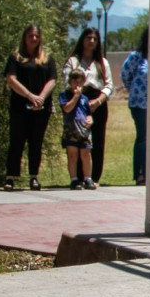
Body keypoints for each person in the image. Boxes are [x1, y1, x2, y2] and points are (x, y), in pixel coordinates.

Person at [3, 24, 57, 192]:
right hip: (20, 107)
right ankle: (10, 178)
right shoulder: (15, 58)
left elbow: (52, 80)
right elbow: (11, 79)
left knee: (36, 143)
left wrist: (40, 98)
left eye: (36, 36)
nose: (33, 39)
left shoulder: (47, 59)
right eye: (30, 36)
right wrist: (29, 96)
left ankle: (34, 177)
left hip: (41, 108)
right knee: (17, 142)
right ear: (24, 38)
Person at [63, 26, 114, 185]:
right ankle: (77, 178)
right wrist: (79, 99)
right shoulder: (73, 61)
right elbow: (66, 83)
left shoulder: (102, 62)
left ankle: (93, 178)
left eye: (94, 39)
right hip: (78, 102)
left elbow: (109, 85)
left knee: (97, 141)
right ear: (82, 40)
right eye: (88, 38)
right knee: (77, 140)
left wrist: (98, 101)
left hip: (98, 102)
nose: (91, 41)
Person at [119, 28, 149, 185]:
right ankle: (140, 173)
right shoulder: (137, 57)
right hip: (140, 103)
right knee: (143, 136)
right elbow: (125, 75)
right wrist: (135, 88)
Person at [59, 68, 97, 190]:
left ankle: (88, 178)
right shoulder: (64, 95)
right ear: (70, 82)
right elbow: (67, 108)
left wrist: (90, 119)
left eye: (80, 82)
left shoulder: (85, 99)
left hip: (84, 131)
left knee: (86, 154)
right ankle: (74, 180)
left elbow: (88, 112)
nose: (77, 85)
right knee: (72, 155)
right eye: (75, 82)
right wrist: (75, 96)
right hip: (71, 130)